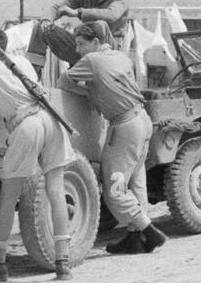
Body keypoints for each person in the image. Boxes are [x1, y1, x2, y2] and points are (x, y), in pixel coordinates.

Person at [0, 27, 76, 282]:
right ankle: (63, 262)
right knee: (56, 191)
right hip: (49, 118)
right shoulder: (23, 61)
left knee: (9, 196)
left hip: (25, 124)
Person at [59, 21, 166, 256]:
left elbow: (63, 81)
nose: (77, 50)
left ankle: (149, 231)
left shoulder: (92, 60)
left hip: (124, 127)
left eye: (81, 44)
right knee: (136, 181)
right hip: (142, 120)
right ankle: (134, 238)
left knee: (115, 189)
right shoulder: (120, 56)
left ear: (96, 42)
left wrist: (88, 92)